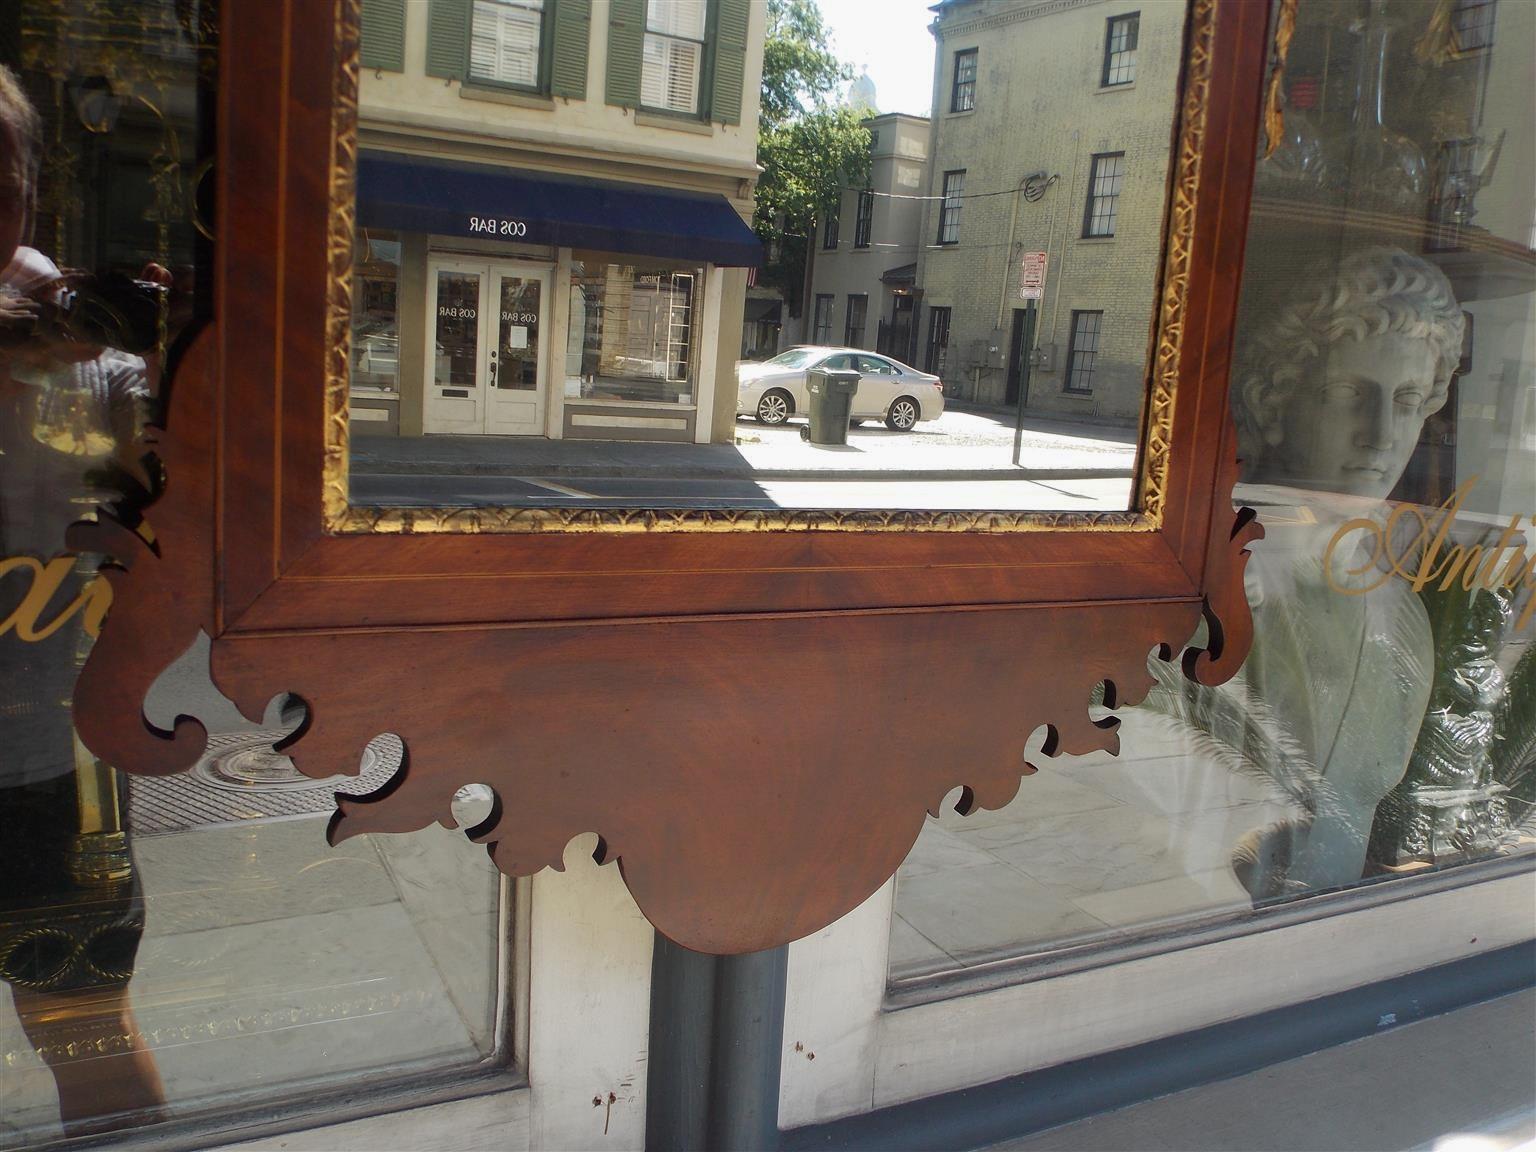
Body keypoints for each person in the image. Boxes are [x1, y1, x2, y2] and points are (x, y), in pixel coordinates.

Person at [1218, 246, 1465, 897]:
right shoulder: (1223, 601)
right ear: (1276, 401)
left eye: (1409, 400)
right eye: (1348, 395)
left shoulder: (1399, 612)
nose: (1382, 435)